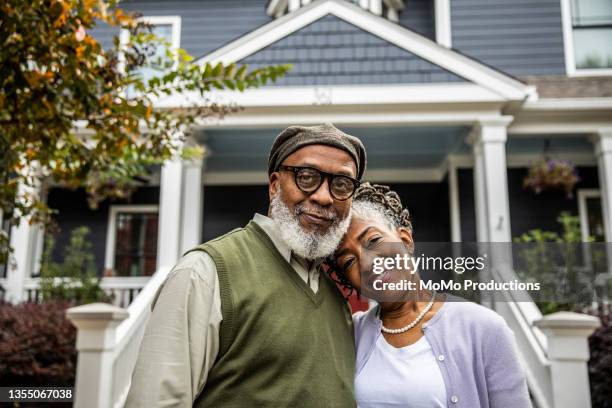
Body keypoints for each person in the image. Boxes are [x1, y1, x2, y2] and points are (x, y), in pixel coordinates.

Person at [126, 123, 367, 407]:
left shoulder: (337, 299)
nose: (324, 197)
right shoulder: (206, 272)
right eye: (307, 177)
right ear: (275, 185)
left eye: (341, 184)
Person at [328, 183, 531, 408]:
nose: (367, 264)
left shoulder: (483, 328)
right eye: (348, 261)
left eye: (374, 241)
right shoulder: (351, 334)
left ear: (405, 240)